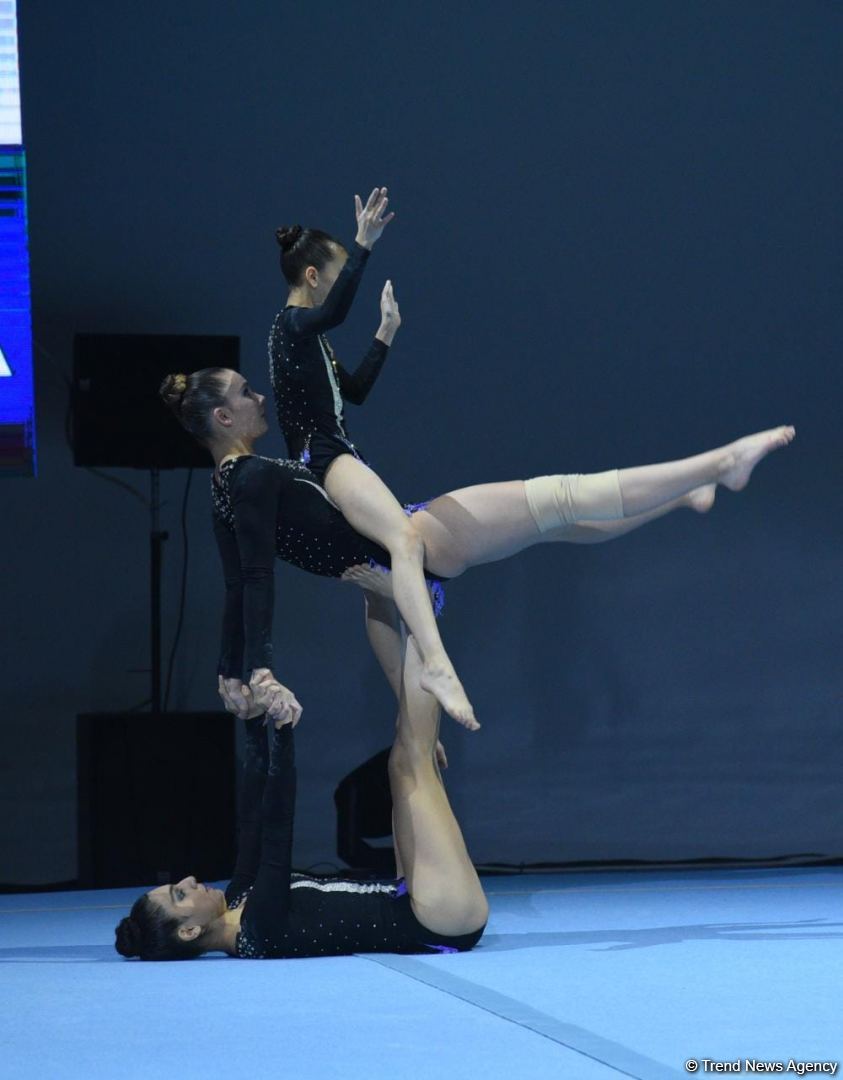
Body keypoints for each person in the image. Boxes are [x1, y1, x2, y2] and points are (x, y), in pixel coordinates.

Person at [156, 367, 795, 731]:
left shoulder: (224, 490)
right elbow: (256, 581)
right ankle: (724, 460)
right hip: (426, 539)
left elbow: (240, 584)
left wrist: (228, 670)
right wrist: (258, 668)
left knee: (561, 524)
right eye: (243, 393)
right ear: (222, 418)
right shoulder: (254, 476)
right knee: (567, 497)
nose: (256, 397)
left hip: (392, 589)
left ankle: (687, 495)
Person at [114, 635, 489, 961]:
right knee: (411, 762)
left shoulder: (240, 896)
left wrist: (254, 717)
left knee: (403, 762)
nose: (191, 879)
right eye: (180, 895)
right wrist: (284, 729)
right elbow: (278, 827)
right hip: (437, 921)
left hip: (411, 899)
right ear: (189, 932)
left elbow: (253, 820)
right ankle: (423, 604)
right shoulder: (259, 931)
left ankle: (408, 601)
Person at [270, 188, 475, 727]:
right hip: (326, 457)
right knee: (404, 539)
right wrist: (362, 244)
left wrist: (384, 333)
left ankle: (411, 712)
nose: (342, 289)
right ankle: (436, 663)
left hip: (336, 451)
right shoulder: (290, 327)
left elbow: (354, 390)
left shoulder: (309, 342)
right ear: (313, 277)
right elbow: (335, 313)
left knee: (379, 580)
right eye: (337, 275)